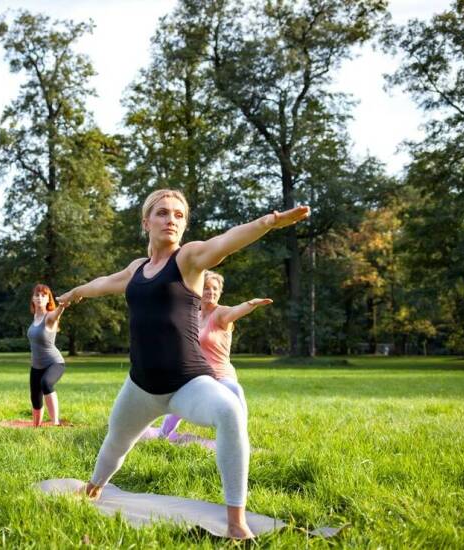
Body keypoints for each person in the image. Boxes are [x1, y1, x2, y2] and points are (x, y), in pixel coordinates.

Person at [58, 189, 309, 539]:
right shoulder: (137, 270)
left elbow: (225, 242)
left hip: (188, 381)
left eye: (178, 215)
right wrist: (74, 293)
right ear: (146, 222)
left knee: (229, 411)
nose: (171, 220)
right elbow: (103, 284)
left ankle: (236, 523)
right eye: (162, 213)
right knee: (116, 442)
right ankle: (94, 489)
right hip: (140, 386)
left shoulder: (188, 259)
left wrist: (268, 222)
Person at [158, 271, 272, 438]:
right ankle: (163, 435)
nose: (211, 292)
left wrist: (251, 304)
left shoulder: (221, 314)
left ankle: (240, 436)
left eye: (215, 288)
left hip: (220, 374)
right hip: (198, 375)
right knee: (179, 399)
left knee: (233, 389)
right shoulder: (193, 316)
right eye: (206, 288)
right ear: (197, 290)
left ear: (220, 292)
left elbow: (235, 311)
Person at [27, 284, 68, 426]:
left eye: (43, 295)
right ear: (33, 298)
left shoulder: (49, 317)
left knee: (46, 383)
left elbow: (56, 314)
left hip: (55, 363)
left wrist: (62, 306)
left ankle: (55, 423)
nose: (39, 298)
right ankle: (36, 427)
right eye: (37, 295)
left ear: (48, 299)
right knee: (35, 398)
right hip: (36, 366)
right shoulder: (34, 318)